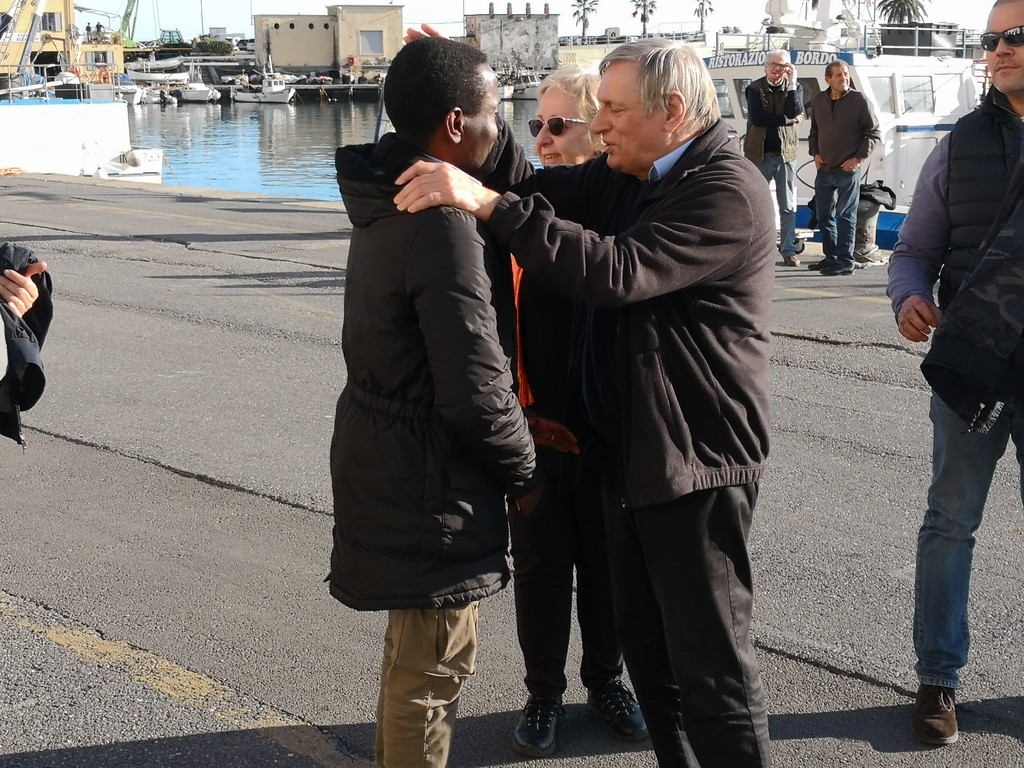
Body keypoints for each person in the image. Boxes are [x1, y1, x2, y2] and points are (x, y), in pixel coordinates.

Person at [395, 37, 776, 767]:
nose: (599, 126)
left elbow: (617, 271)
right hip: (630, 456)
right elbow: (537, 190)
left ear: (672, 110)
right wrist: (463, 101)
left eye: (614, 111)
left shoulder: (723, 189)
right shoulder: (636, 175)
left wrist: (484, 203)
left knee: (713, 671)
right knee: (651, 662)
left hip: (695, 467)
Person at [327, 36, 549, 768]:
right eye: (494, 112)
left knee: (411, 658)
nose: (501, 125)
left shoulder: (390, 188)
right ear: (456, 124)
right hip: (433, 478)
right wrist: (527, 473)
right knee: (433, 670)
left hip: (391, 454)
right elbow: (476, 386)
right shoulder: (443, 222)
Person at [886, 0, 1024, 747]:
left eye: (1015, 37)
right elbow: (914, 251)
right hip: (975, 363)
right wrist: (908, 297)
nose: (998, 50)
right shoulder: (958, 145)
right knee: (950, 521)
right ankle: (937, 679)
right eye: (990, 39)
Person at [508, 65, 646, 758]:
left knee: (606, 563)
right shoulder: (519, 218)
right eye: (537, 124)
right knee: (540, 567)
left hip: (605, 429)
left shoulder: (623, 214)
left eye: (558, 125)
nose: (543, 139)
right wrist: (517, 418)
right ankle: (542, 692)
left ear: (598, 129)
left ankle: (606, 681)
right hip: (533, 427)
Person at [806, 59, 881, 276]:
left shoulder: (859, 100)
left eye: (846, 74)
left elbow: (874, 132)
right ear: (828, 79)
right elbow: (814, 131)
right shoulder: (819, 100)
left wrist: (858, 158)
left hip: (848, 170)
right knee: (824, 215)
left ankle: (846, 261)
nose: (844, 78)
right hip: (824, 169)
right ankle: (830, 258)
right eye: (839, 75)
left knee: (846, 215)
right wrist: (815, 153)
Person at [743, 50, 804, 266]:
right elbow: (758, 118)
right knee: (757, 204)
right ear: (765, 66)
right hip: (759, 155)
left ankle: (788, 250)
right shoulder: (754, 89)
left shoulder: (795, 87)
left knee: (787, 206)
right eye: (774, 64)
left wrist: (792, 83)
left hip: (786, 155)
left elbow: (795, 110)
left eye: (783, 65)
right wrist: (787, 120)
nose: (778, 69)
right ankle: (756, 250)